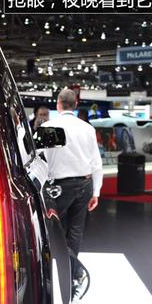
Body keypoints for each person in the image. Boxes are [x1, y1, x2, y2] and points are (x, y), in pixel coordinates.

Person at [41, 88, 103, 276]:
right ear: (76, 105)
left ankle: (50, 273)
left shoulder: (48, 127)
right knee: (76, 231)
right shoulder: (88, 128)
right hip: (85, 185)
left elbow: (34, 157)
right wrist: (96, 192)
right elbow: (96, 163)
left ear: (58, 104)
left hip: (57, 186)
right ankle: (72, 273)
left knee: (53, 229)